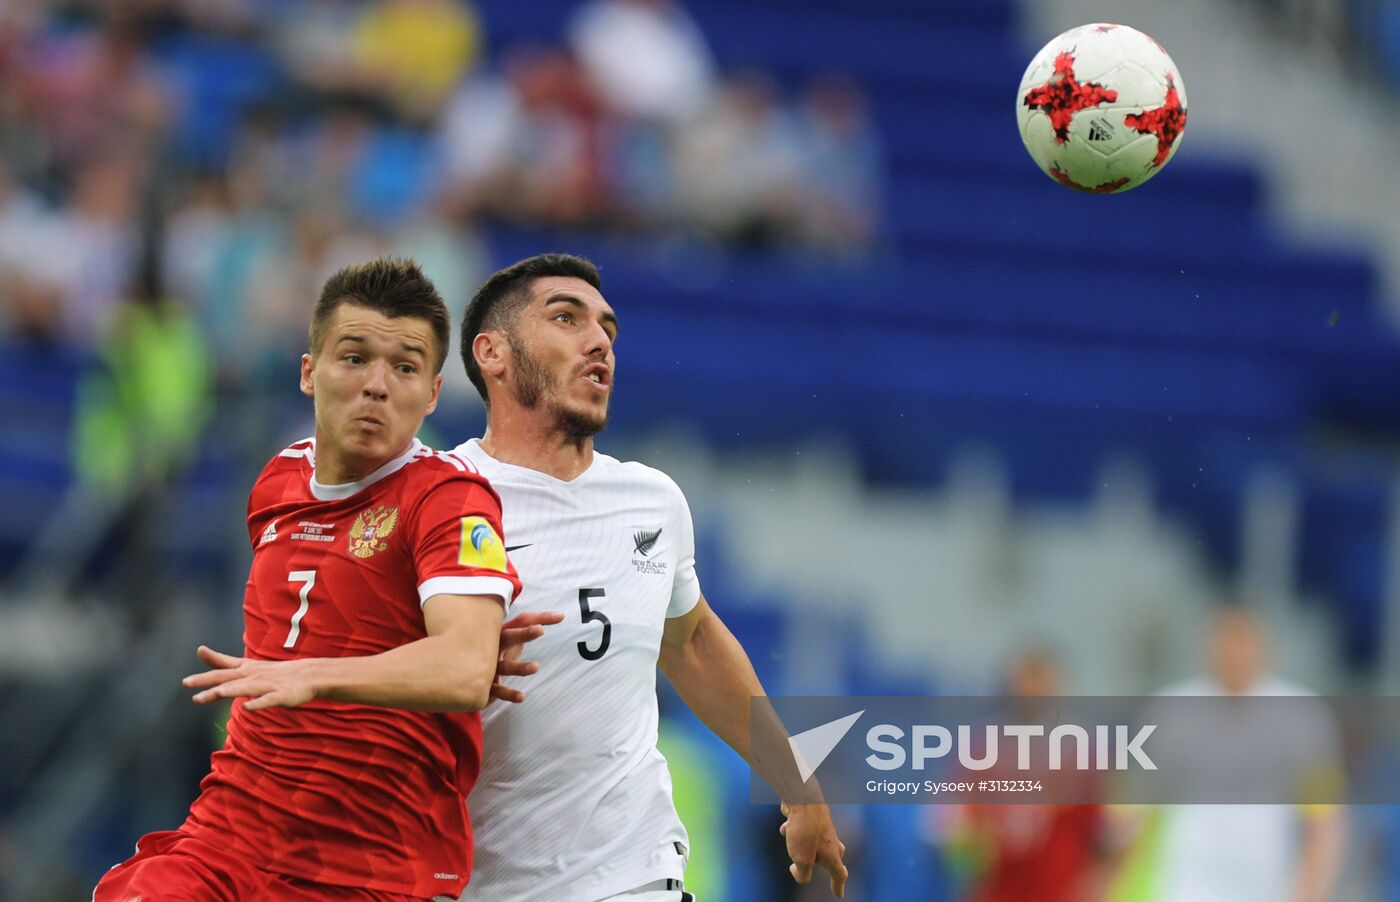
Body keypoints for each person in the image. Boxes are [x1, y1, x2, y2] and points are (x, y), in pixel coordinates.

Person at [94, 258, 527, 901]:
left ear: (433, 393)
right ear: (308, 372)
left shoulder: (448, 499)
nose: (378, 385)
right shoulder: (277, 482)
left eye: (405, 367)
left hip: (368, 863)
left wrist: (316, 674)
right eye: (354, 358)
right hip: (231, 838)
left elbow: (465, 671)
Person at [448, 253, 848, 900]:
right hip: (480, 880)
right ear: (492, 353)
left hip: (635, 877)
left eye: (607, 328)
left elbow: (690, 643)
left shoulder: (652, 499)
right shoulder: (439, 498)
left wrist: (795, 782)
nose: (598, 340)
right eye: (566, 318)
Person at [1108, 606, 1346, 902]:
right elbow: (1126, 812)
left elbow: (1323, 824)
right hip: (1180, 885)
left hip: (1266, 886)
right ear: (1209, 646)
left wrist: (1310, 892)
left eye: (1244, 642)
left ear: (1264, 647)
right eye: (1227, 642)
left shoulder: (1302, 717)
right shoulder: (1167, 712)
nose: (1235, 653)